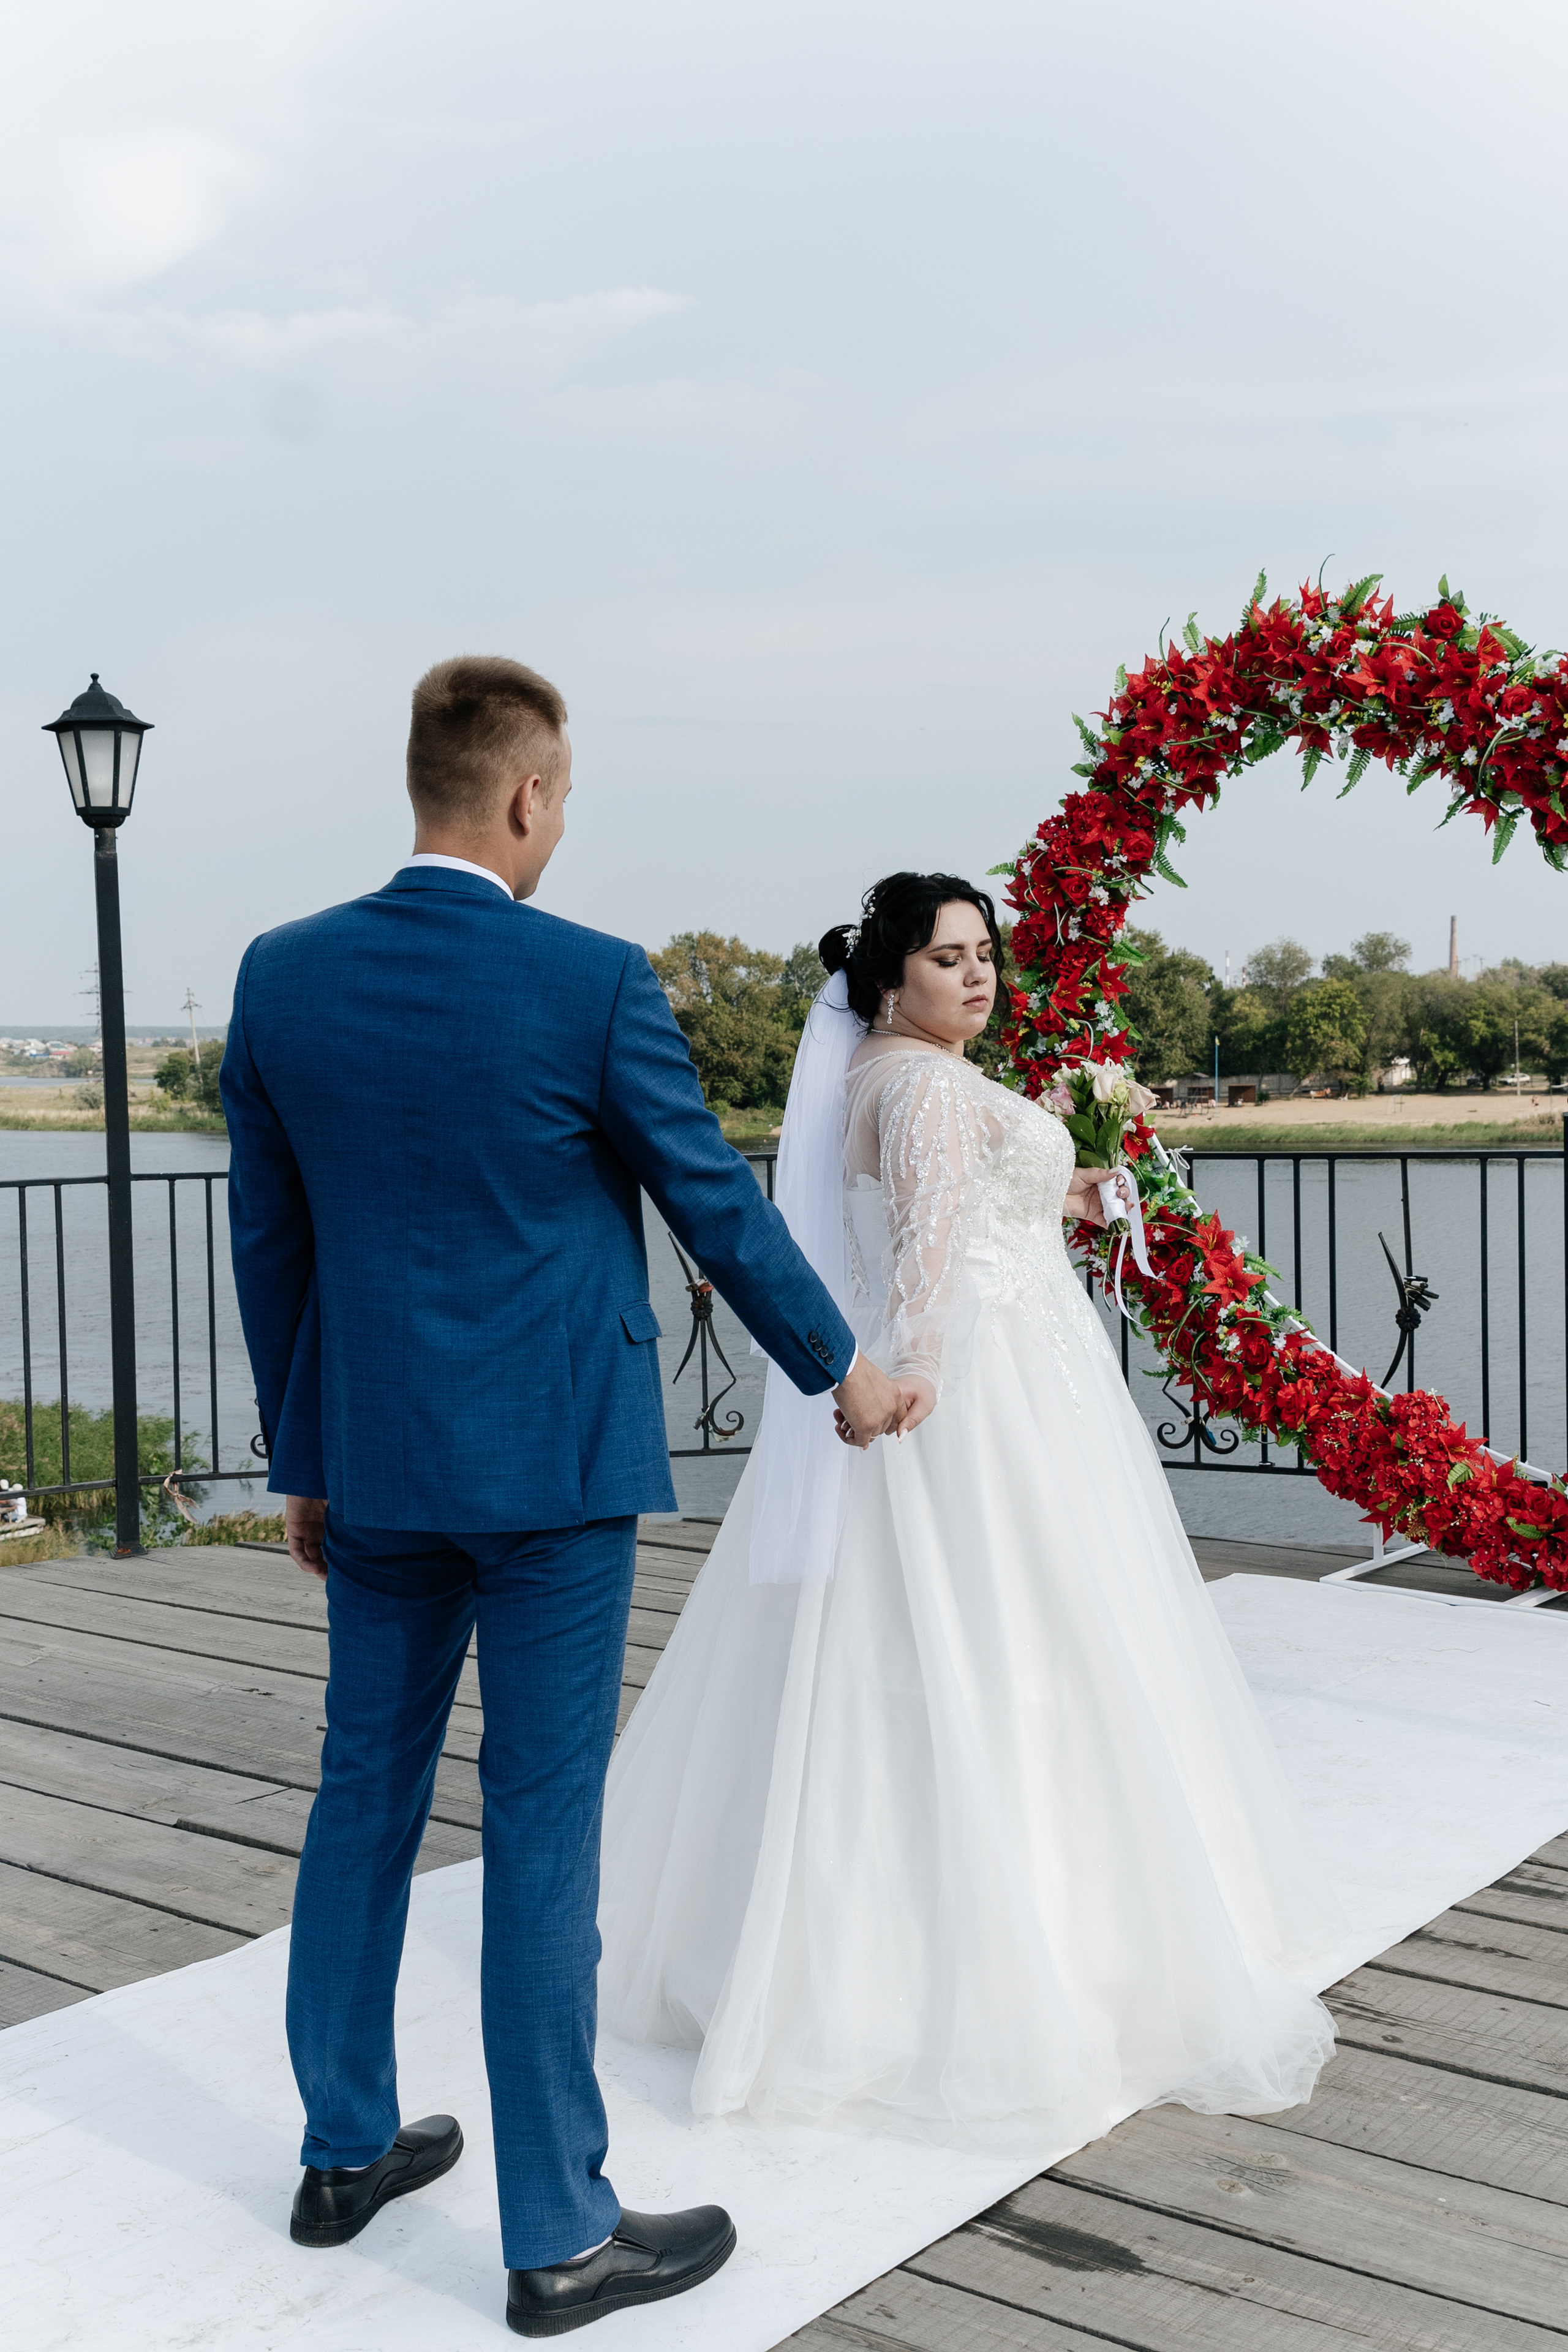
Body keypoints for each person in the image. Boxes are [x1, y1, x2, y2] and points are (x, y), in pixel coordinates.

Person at [219, 655, 905, 2337]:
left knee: (361, 1795)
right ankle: (559, 2236)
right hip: (551, 1468)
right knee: (538, 1830)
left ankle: (341, 2150)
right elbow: (712, 1204)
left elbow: (270, 1242)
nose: (564, 822)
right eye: (567, 796)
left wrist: (304, 1455)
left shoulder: (282, 974)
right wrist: (838, 1368)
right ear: (526, 795)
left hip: (375, 1465)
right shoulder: (591, 981)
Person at [598, 872, 1345, 2156]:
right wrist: (923, 1373)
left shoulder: (891, 1075)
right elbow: (926, 1253)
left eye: (984, 954)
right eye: (947, 959)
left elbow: (943, 1207)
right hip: (989, 1393)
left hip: (1008, 1365)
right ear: (889, 980)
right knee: (1026, 1633)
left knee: (931, 1642)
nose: (978, 975)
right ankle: (1046, 1946)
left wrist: (1063, 1189)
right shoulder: (928, 1086)